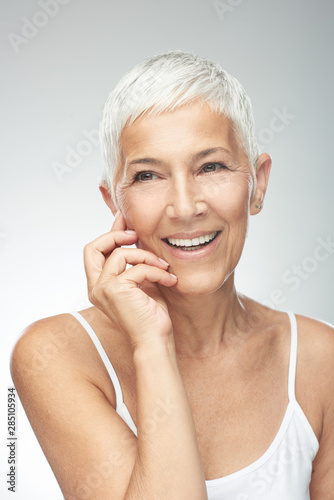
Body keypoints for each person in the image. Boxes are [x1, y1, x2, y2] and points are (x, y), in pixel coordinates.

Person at [10, 51, 334, 500]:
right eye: (148, 176)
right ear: (114, 203)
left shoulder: (322, 362)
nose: (185, 207)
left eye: (211, 166)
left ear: (257, 185)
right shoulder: (54, 355)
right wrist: (151, 344)